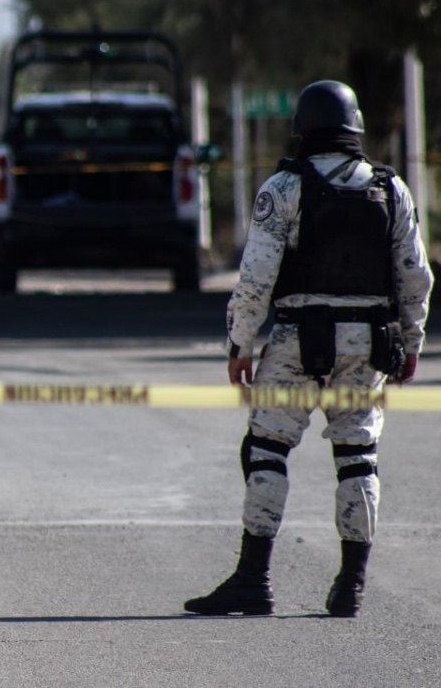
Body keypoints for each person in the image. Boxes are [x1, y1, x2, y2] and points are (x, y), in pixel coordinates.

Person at [183, 80, 433, 618]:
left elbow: (255, 278)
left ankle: (253, 581)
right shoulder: (392, 190)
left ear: (303, 127)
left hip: (298, 340)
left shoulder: (284, 187)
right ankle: (352, 586)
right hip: (368, 346)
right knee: (358, 459)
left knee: (267, 450)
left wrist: (240, 344)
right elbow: (415, 276)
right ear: (355, 128)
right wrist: (411, 342)